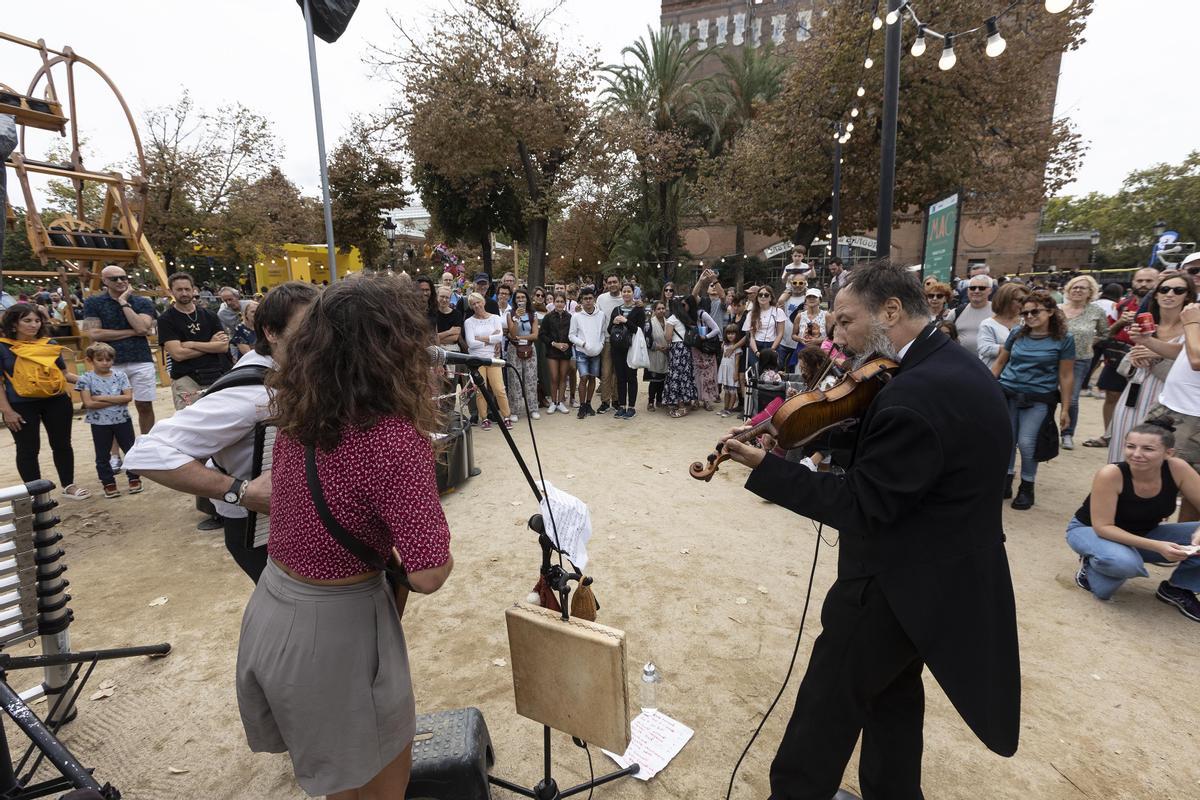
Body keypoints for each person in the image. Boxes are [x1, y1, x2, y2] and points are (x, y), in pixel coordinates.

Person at [722, 260, 1019, 799]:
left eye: (844, 321)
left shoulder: (917, 394)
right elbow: (900, 460)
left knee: (825, 710)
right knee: (892, 702)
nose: (835, 336)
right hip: (938, 578)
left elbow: (862, 502)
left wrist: (766, 468)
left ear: (890, 310)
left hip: (893, 584)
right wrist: (807, 436)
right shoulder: (950, 367)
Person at [236, 275, 453, 799]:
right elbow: (427, 573)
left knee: (338, 783)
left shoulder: (299, 411)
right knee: (375, 787)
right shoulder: (392, 439)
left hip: (273, 607)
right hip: (337, 632)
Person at [125, 282, 320, 583]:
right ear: (271, 332)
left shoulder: (300, 371)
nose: (321, 337)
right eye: (307, 327)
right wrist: (238, 491)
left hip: (302, 524)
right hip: (260, 533)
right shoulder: (250, 394)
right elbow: (147, 453)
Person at [1067, 419, 1200, 621]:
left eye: (1148, 449)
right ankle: (1091, 563)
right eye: (1131, 446)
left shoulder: (1177, 468)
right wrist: (1157, 546)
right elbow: (1103, 528)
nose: (1136, 454)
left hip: (1144, 533)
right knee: (1122, 567)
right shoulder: (1111, 473)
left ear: (1168, 453)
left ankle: (1178, 588)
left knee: (1127, 558)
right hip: (1091, 531)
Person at [991, 292, 1075, 510]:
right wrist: (987, 388)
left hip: (1038, 397)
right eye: (1025, 312)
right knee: (1007, 439)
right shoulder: (1017, 333)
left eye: (1035, 311)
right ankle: (1005, 481)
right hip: (1008, 392)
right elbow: (1001, 362)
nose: (1029, 316)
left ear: (1050, 311)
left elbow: (1066, 375)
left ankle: (1027, 486)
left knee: (1027, 442)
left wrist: (1066, 409)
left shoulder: (1064, 339)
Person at [0, 303, 87, 500]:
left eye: (37, 320)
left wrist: (91, 380)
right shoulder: (3, 347)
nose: (34, 325)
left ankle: (68, 485)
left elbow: (64, 373)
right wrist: (7, 411)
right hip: (21, 404)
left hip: (56, 400)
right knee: (28, 449)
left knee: (62, 444)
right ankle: (35, 492)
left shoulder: (49, 344)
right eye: (27, 320)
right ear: (14, 324)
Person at [1106, 273, 1195, 465]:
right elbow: (1125, 367)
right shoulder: (1147, 323)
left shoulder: (1192, 329)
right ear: (1155, 295)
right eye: (1164, 289)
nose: (1169, 294)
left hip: (1169, 398)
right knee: (1123, 446)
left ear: (1187, 296)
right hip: (1135, 392)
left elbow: (1190, 367)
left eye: (1178, 290)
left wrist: (1156, 355)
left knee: (1153, 455)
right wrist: (1134, 357)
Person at [1086, 267, 1159, 448]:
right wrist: (1121, 321)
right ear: (1132, 282)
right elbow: (1107, 333)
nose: (1143, 284)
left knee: (1141, 401)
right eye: (1140, 280)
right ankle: (1109, 435)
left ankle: (1137, 441)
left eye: (1149, 281)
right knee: (1111, 395)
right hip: (1119, 357)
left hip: (1147, 361)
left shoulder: (1161, 306)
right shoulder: (1121, 305)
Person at [81, 265, 158, 435]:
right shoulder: (93, 302)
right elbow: (93, 333)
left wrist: (124, 303)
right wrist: (134, 332)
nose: (120, 281)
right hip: (108, 362)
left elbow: (143, 327)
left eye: (123, 277)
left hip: (140, 359)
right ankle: (115, 451)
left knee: (145, 404)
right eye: (114, 278)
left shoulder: (142, 302)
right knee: (111, 406)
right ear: (105, 281)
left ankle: (147, 444)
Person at [1141, 299, 1200, 522]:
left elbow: (1197, 359)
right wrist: (1147, 341)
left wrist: (1192, 323)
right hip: (1169, 406)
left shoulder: (1194, 319)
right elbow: (1184, 351)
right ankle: (1146, 533)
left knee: (1187, 486)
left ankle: (1184, 546)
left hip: (1193, 416)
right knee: (1147, 472)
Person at [157, 272, 232, 410]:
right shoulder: (166, 320)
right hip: (186, 377)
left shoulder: (209, 315)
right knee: (191, 420)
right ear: (170, 291)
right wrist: (210, 345)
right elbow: (178, 354)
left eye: (187, 289)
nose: (184, 293)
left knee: (220, 417)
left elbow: (223, 347)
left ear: (193, 290)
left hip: (215, 374)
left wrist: (191, 344)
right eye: (179, 290)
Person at [76, 343, 141, 498]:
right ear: (90, 360)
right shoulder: (85, 378)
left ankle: (134, 477)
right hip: (99, 423)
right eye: (100, 359)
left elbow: (128, 397)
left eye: (108, 359)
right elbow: (89, 403)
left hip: (122, 420)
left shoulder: (121, 376)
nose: (105, 363)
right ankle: (108, 482)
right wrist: (117, 400)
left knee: (130, 450)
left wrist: (100, 397)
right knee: (102, 455)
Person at [1058, 275, 1109, 450]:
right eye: (1075, 287)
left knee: (1071, 399)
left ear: (1090, 292)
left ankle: (1067, 434)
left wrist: (1089, 343)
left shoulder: (1096, 312)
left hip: (1079, 360)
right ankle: (1044, 431)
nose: (1078, 290)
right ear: (1068, 290)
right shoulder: (1057, 309)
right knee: (1047, 395)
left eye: (1083, 288)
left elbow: (1104, 333)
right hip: (1053, 358)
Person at [463, 292, 512, 431]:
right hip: (476, 360)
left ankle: (506, 416)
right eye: (473, 304)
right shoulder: (469, 322)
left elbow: (499, 337)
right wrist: (490, 338)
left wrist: (481, 338)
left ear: (483, 302)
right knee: (480, 390)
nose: (477, 305)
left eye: (478, 302)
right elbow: (471, 343)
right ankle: (484, 418)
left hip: (492, 358)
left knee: (499, 388)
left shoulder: (495, 318)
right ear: (471, 306)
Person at [608, 282, 647, 419]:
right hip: (618, 349)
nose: (626, 294)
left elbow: (639, 330)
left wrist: (625, 321)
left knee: (631, 377)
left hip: (632, 349)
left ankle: (631, 407)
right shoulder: (616, 310)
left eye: (628, 291)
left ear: (633, 293)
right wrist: (614, 322)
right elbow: (609, 330)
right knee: (620, 378)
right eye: (624, 291)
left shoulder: (638, 310)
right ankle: (621, 406)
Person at [568, 288, 605, 419]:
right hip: (582, 351)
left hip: (596, 351)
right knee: (583, 378)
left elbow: (602, 333)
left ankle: (589, 404)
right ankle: (582, 405)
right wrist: (582, 344)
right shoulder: (576, 317)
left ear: (594, 299)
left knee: (592, 378)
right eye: (585, 299)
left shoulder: (601, 315)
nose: (588, 301)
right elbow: (571, 336)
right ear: (581, 301)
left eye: (590, 298)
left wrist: (601, 345)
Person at [505, 287, 540, 422]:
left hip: (530, 348)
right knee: (514, 380)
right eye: (518, 298)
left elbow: (535, 334)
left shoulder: (533, 314)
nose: (521, 300)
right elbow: (512, 333)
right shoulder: (510, 313)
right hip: (514, 350)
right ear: (514, 300)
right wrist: (517, 319)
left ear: (527, 299)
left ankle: (533, 408)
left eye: (523, 297)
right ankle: (514, 410)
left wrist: (519, 338)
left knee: (531, 379)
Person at [977, 282, 1029, 369]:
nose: (1024, 304)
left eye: (1026, 300)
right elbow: (985, 348)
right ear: (1006, 300)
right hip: (992, 375)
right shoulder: (988, 324)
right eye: (1020, 300)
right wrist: (1016, 348)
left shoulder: (1026, 322)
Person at [663, 296, 699, 418]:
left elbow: (668, 337)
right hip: (686, 349)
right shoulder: (684, 318)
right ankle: (690, 401)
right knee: (686, 376)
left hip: (676, 349)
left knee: (676, 377)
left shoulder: (672, 319)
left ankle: (681, 405)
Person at [595, 274, 624, 414]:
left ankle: (617, 400)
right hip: (606, 340)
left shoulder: (625, 297)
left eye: (615, 282)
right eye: (609, 282)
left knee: (618, 373)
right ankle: (605, 402)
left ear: (619, 283)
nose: (612, 284)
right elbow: (595, 316)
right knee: (606, 373)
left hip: (621, 341)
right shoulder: (601, 298)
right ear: (606, 284)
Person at [540, 292, 573, 414]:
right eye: (557, 301)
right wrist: (554, 343)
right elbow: (542, 334)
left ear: (565, 303)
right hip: (552, 351)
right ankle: (553, 402)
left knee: (563, 377)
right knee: (554, 377)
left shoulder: (570, 317)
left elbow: (573, 333)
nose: (559, 304)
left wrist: (568, 343)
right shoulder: (548, 317)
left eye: (562, 301)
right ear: (553, 302)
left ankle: (560, 402)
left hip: (565, 351)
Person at [742, 285, 786, 369]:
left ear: (770, 298)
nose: (763, 297)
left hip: (772, 344)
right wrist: (756, 351)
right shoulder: (751, 314)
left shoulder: (778, 311)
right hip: (756, 345)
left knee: (772, 373)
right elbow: (751, 336)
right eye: (760, 295)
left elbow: (780, 333)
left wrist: (772, 349)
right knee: (756, 372)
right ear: (757, 297)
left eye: (766, 295)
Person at [953, 274, 994, 354]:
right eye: (972, 288)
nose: (976, 291)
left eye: (982, 288)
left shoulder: (999, 311)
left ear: (990, 291)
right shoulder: (956, 312)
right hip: (960, 362)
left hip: (989, 364)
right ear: (968, 290)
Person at [644, 300, 670, 412]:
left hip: (665, 355)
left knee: (663, 381)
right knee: (654, 381)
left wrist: (667, 348)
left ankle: (660, 400)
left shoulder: (669, 322)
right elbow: (647, 340)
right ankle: (650, 402)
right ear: (654, 310)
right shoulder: (649, 323)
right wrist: (659, 347)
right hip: (654, 355)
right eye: (658, 309)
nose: (661, 311)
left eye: (663, 308)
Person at [717, 323, 743, 418]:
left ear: (737, 335)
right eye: (728, 333)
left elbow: (737, 363)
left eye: (733, 333)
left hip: (732, 372)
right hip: (725, 372)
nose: (730, 335)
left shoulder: (737, 348)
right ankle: (725, 408)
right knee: (726, 391)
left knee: (732, 393)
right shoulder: (725, 345)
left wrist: (735, 374)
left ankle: (729, 410)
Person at [433, 286, 463, 352]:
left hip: (452, 348)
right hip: (435, 348)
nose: (444, 300)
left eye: (447, 297)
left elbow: (455, 338)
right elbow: (430, 337)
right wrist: (450, 332)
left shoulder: (457, 314)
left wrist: (437, 337)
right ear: (437, 297)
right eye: (442, 296)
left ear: (450, 299)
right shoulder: (432, 313)